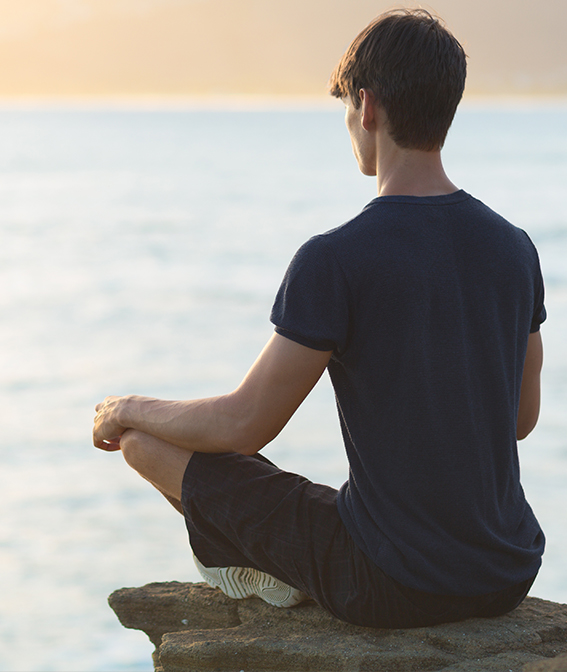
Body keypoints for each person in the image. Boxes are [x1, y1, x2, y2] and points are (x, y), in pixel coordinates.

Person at [92, 8, 546, 629]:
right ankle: (273, 559)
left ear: (367, 108)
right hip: (507, 572)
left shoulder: (335, 258)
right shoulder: (515, 247)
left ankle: (259, 564)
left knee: (144, 446)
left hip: (391, 584)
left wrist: (127, 409)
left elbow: (243, 424)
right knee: (310, 500)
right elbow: (520, 419)